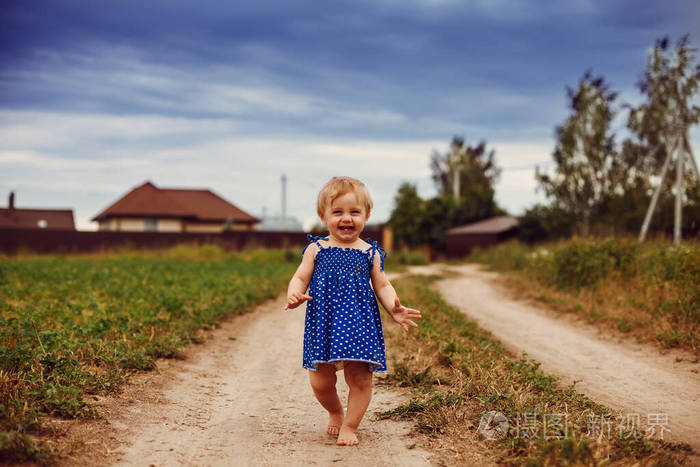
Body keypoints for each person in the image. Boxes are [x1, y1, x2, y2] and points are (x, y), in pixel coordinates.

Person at [285, 176, 422, 446]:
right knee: (320, 382)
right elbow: (300, 277)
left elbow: (382, 284)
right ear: (323, 216)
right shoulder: (316, 249)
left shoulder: (370, 252)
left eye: (354, 212)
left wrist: (394, 308)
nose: (346, 218)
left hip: (360, 325)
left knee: (360, 379)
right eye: (338, 212)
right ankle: (335, 411)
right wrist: (294, 292)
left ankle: (350, 425)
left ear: (366, 215)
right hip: (324, 323)